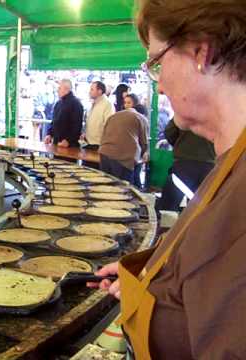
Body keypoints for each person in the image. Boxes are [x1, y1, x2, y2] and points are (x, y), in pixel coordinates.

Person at [89, 1, 246, 359]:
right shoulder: (229, 161)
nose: (158, 86)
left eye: (156, 63)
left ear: (200, 52)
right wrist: (148, 278)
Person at [156, 118, 215, 212]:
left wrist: (181, 143)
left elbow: (170, 132)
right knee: (201, 207)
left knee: (169, 207)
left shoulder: (186, 111)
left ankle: (168, 226)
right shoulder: (218, 112)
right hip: (209, 165)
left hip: (183, 164)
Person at [98, 109, 149, 182]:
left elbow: (104, 133)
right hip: (124, 157)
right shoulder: (141, 118)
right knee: (122, 187)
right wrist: (142, 154)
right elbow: (144, 142)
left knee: (106, 183)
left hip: (104, 152)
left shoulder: (114, 115)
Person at [44, 79, 83, 148]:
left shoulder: (76, 104)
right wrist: (49, 134)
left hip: (68, 145)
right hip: (56, 142)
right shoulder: (58, 103)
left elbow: (77, 126)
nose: (57, 90)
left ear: (66, 89)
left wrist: (68, 140)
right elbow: (54, 122)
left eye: (59, 88)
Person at [125, 93, 151, 187]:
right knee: (133, 177)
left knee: (135, 177)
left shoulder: (139, 114)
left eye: (129, 103)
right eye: (125, 103)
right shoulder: (124, 116)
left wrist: (145, 151)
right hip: (130, 152)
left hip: (137, 152)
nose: (126, 105)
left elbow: (145, 137)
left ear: (135, 104)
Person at [82, 81, 115, 148]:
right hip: (89, 142)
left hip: (99, 144)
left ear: (99, 91)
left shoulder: (107, 104)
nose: (89, 92)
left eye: (92, 89)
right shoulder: (93, 103)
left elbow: (109, 125)